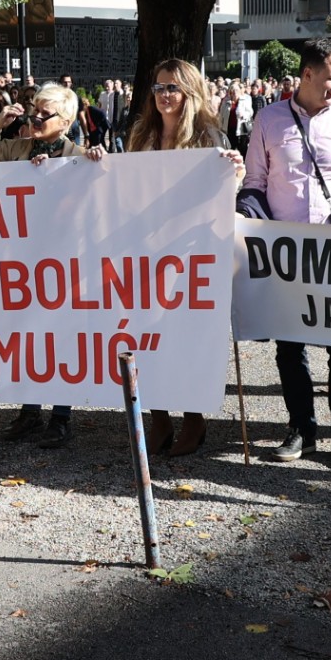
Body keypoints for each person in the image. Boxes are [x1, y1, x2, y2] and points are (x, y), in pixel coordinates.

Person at [241, 39, 331, 464]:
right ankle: (301, 428)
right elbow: (254, 182)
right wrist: (257, 226)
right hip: (287, 253)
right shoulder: (269, 119)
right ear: (308, 75)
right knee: (290, 346)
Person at [126, 58, 246, 456]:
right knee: (147, 334)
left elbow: (224, 194)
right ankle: (158, 418)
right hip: (147, 250)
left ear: (190, 92)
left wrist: (236, 173)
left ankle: (194, 420)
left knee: (189, 336)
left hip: (192, 252)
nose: (163, 96)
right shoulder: (142, 133)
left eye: (172, 88)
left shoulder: (210, 137)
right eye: (158, 88)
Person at [0, 82, 107, 446]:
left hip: (65, 263)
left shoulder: (82, 156)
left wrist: (93, 167)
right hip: (21, 262)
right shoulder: (15, 150)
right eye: (34, 111)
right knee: (28, 334)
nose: (36, 118)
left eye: (44, 114)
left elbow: (105, 204)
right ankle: (30, 411)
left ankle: (61, 416)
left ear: (66, 121)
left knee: (63, 337)